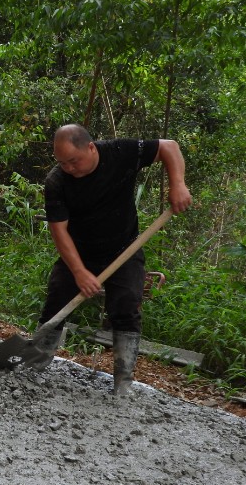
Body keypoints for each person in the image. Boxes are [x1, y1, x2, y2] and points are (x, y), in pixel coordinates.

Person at [23, 124, 192, 395]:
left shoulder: (119, 152)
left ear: (90, 147)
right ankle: (35, 365)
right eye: (62, 162)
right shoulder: (57, 181)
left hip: (124, 249)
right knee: (57, 299)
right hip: (80, 250)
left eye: (74, 161)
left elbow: (168, 146)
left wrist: (178, 184)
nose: (69, 168)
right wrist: (79, 272)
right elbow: (59, 231)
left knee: (126, 304)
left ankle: (123, 384)